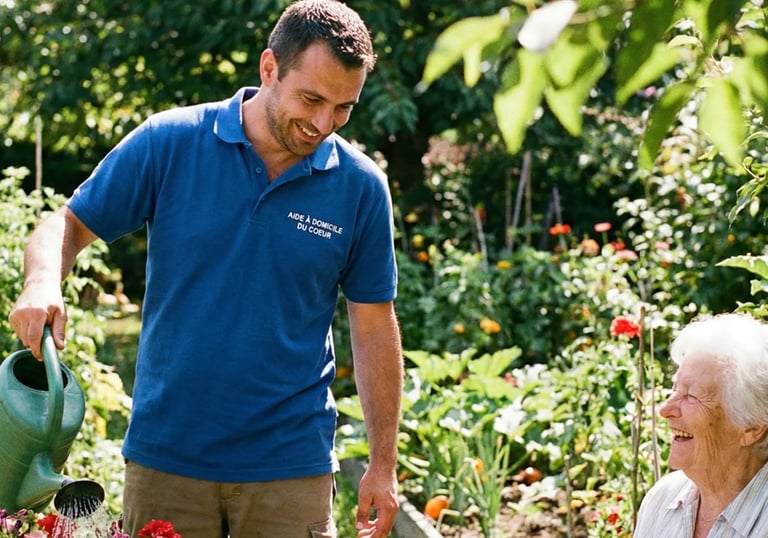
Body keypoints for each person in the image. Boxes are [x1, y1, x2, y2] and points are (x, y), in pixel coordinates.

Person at [8, 1, 403, 536]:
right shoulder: (171, 141)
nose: (321, 124)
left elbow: (374, 325)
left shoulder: (360, 186)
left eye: (342, 109)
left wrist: (382, 465)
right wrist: (40, 283)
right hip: (168, 460)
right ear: (269, 68)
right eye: (311, 99)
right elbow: (67, 225)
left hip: (290, 468)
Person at [634, 313, 768, 538]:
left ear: (753, 427)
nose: (665, 410)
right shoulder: (662, 499)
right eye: (675, 388)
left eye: (691, 396)